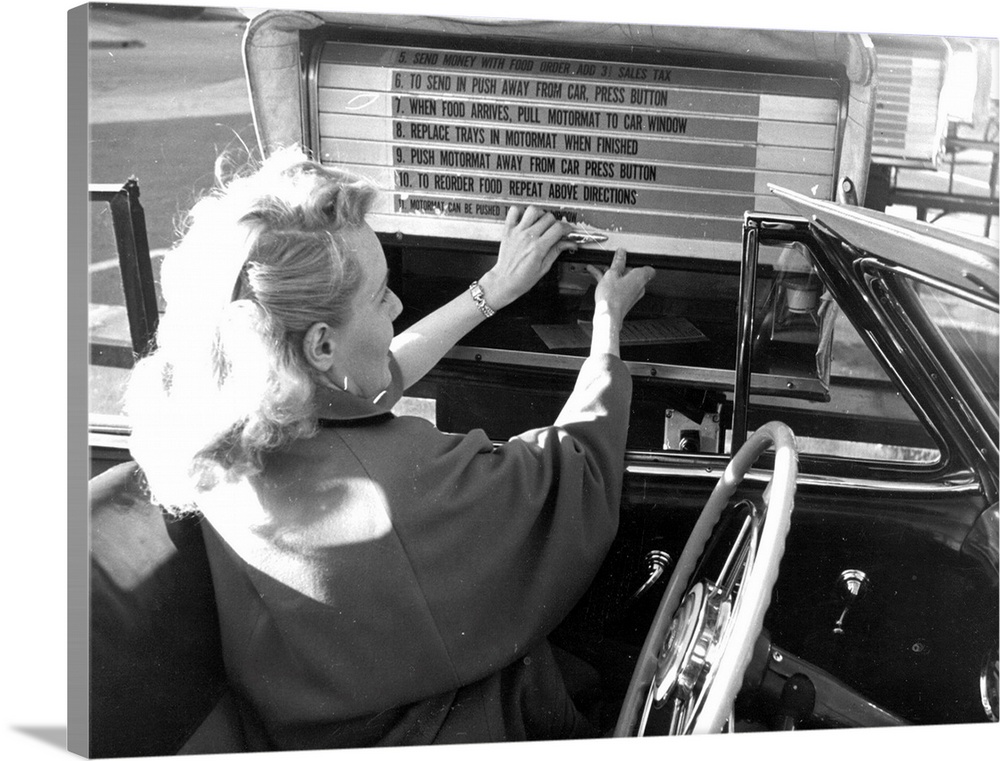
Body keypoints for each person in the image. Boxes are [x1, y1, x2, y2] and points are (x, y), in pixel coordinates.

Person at [125, 146, 655, 750]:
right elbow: (573, 472)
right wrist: (608, 326)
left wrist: (494, 289)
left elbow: (375, 379)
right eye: (381, 296)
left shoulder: (229, 421)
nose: (399, 306)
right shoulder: (395, 489)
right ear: (322, 347)